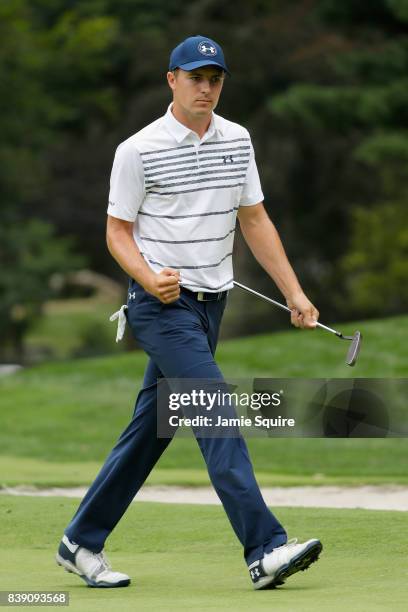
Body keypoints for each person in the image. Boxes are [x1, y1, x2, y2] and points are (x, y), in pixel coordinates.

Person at [55, 35, 322, 591]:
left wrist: (293, 292)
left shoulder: (238, 140)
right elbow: (116, 233)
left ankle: (80, 540)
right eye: (196, 77)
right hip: (159, 308)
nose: (207, 87)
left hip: (211, 305)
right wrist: (148, 277)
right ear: (171, 79)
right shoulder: (138, 149)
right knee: (215, 411)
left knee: (151, 430)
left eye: (215, 78)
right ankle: (265, 550)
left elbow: (255, 220)